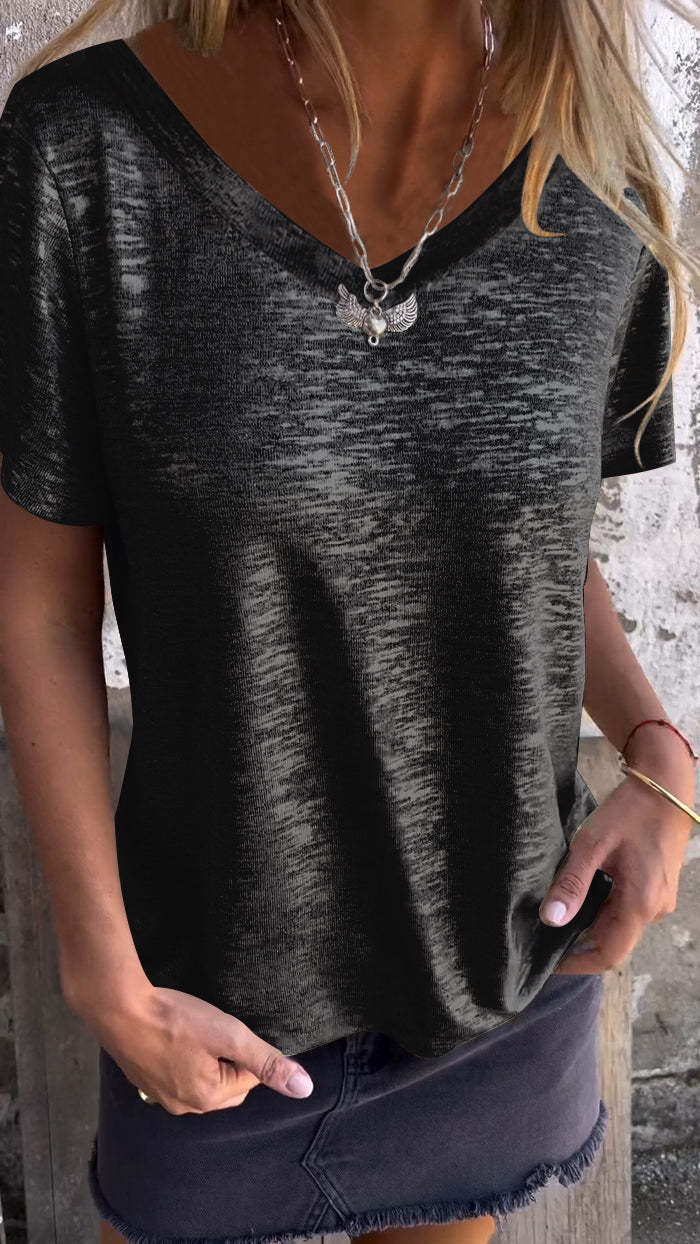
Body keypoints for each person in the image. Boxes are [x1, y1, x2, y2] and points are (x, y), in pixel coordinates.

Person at [0, 1, 698, 1241]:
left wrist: (659, 752)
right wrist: (101, 969)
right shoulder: (86, 147)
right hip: (201, 996)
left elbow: (526, 550)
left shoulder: (603, 176)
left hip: (500, 973)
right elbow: (42, 594)